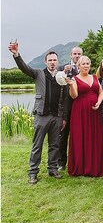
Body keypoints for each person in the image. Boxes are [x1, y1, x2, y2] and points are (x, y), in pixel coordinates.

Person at [8, 41, 62, 184]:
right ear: (45, 62)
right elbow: (24, 68)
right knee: (37, 145)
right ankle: (33, 172)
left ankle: (53, 169)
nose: (52, 62)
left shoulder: (61, 76)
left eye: (54, 60)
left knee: (54, 145)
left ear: (58, 62)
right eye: (50, 60)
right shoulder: (38, 73)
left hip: (56, 116)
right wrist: (16, 55)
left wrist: (63, 117)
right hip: (41, 115)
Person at [66, 56, 103, 177]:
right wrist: (71, 86)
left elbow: (100, 92)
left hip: (94, 113)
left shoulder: (94, 77)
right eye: (83, 64)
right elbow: (74, 96)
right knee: (81, 137)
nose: (86, 65)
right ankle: (81, 167)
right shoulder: (74, 79)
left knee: (94, 136)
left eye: (88, 63)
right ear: (78, 66)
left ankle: (94, 166)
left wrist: (99, 102)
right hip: (80, 112)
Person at [57, 45, 82, 170]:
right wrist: (63, 72)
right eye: (75, 54)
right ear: (71, 55)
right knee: (63, 136)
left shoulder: (84, 68)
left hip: (80, 107)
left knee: (79, 136)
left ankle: (78, 161)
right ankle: (61, 162)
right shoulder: (62, 68)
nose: (77, 56)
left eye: (79, 54)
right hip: (66, 107)